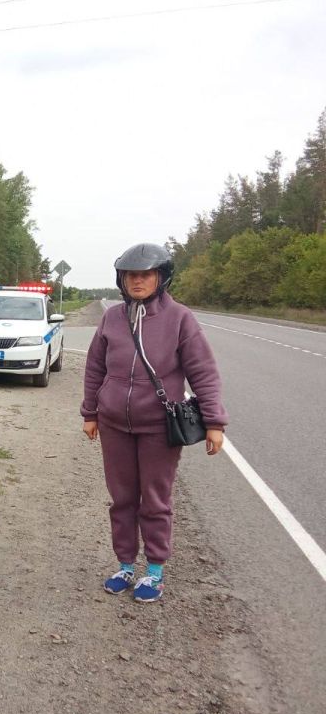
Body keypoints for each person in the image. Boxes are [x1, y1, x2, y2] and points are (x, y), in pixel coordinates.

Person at [81, 243, 228, 603]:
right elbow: (95, 367)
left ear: (161, 278)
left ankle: (155, 571)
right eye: (130, 275)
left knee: (155, 501)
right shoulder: (112, 318)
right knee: (122, 499)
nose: (137, 281)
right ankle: (125, 565)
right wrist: (90, 412)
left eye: (145, 275)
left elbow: (203, 372)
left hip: (159, 428)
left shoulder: (180, 319)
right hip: (114, 425)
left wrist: (214, 422)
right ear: (121, 279)